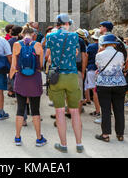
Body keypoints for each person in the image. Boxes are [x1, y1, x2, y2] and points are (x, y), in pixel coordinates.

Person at [46, 14, 83, 153]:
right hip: (72, 76)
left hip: (57, 77)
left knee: (59, 112)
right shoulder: (74, 36)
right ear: (67, 24)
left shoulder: (50, 36)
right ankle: (79, 144)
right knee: (74, 112)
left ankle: (64, 145)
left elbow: (48, 57)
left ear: (57, 24)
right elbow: (75, 53)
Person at [10, 26, 47, 147]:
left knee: (20, 109)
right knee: (35, 110)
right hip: (34, 79)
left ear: (22, 34)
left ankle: (17, 137)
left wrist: (11, 79)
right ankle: (39, 138)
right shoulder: (38, 45)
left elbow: (14, 65)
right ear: (33, 35)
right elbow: (40, 65)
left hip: (20, 79)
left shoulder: (16, 44)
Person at [94, 34, 127, 142]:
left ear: (104, 44)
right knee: (119, 109)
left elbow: (98, 67)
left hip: (103, 84)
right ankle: (120, 134)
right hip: (119, 84)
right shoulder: (120, 54)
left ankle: (105, 135)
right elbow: (121, 67)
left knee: (106, 109)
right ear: (114, 44)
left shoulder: (99, 55)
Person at [85, 32, 101, 121]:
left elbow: (86, 57)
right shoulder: (103, 46)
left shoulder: (91, 47)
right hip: (101, 70)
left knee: (94, 91)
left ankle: (97, 110)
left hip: (91, 69)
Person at [7, 25, 23, 98]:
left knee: (12, 77)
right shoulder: (22, 41)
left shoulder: (9, 41)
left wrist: (11, 64)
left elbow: (8, 54)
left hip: (12, 62)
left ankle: (11, 91)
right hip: (21, 63)